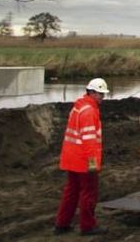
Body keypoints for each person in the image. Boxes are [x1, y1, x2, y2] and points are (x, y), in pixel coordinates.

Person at [54, 78, 108, 236]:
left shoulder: (78, 107)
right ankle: (88, 226)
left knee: (71, 192)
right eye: (100, 94)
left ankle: (62, 223)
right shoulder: (89, 111)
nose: (102, 98)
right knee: (88, 193)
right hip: (83, 161)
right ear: (91, 92)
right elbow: (89, 140)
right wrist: (92, 163)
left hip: (71, 158)